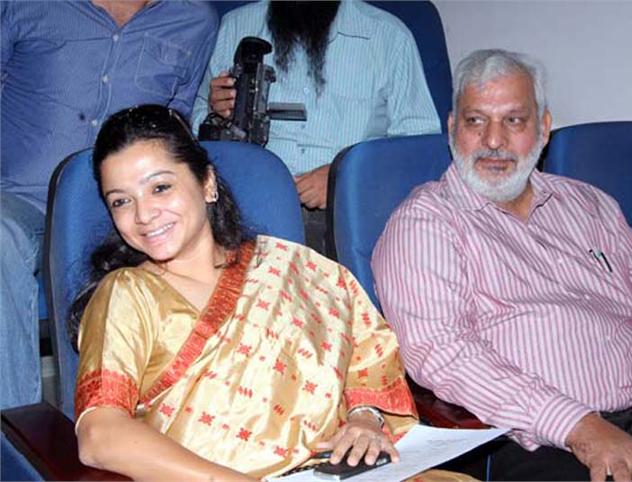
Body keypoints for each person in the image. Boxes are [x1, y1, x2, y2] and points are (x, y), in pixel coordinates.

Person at [71, 105, 473, 481]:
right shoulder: (127, 295)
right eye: (121, 201)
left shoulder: (296, 268)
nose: (143, 215)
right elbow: (99, 434)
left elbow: (367, 353)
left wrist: (365, 419)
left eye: (160, 188)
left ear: (207, 183)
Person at [372, 49, 632, 481]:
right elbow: (443, 352)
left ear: (543, 128)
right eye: (476, 121)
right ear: (452, 128)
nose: (493, 140)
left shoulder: (590, 205)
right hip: (529, 439)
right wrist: (579, 427)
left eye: (514, 120)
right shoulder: (426, 222)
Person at [0, 0, 217, 409]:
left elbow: (176, 123)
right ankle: (15, 430)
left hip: (121, 209)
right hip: (19, 196)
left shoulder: (193, 19)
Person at [190, 0, 441, 254]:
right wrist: (215, 110)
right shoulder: (235, 26)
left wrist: (345, 178)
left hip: (343, 215)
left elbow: (419, 149)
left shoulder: (389, 36)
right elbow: (196, 127)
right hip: (247, 205)